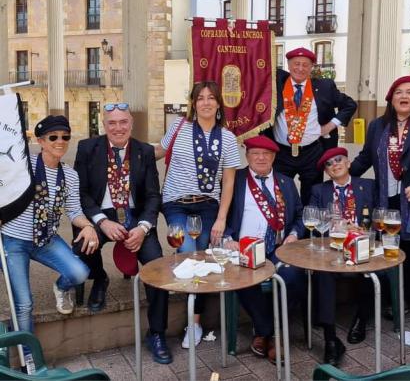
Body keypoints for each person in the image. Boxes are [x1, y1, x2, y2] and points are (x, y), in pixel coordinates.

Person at [72, 103, 171, 364]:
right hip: (102, 215)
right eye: (112, 123)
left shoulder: (144, 151)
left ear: (131, 124)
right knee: (83, 245)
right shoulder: (87, 148)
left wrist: (144, 227)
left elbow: (152, 195)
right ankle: (100, 278)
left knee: (157, 268)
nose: (118, 128)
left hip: (135, 218)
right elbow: (81, 193)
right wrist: (101, 222)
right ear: (104, 126)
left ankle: (157, 333)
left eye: (123, 122)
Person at [351, 76, 410, 321]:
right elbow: (365, 158)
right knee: (394, 249)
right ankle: (399, 297)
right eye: (399, 92)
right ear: (391, 99)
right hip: (389, 201)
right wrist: (342, 175)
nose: (404, 96)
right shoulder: (377, 126)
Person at [155, 81, 240, 349]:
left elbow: (228, 182)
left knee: (201, 260)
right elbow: (157, 151)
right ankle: (191, 321)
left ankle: (195, 323)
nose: (205, 102)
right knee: (190, 252)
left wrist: (222, 218)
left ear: (218, 103)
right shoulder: (179, 127)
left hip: (207, 206)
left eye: (211, 98)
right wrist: (124, 152)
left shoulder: (227, 137)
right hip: (176, 203)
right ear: (193, 103)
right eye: (200, 98)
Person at [0, 116, 96, 335]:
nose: (60, 141)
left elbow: (74, 211)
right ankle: (28, 358)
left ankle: (61, 288)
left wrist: (88, 226)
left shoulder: (70, 175)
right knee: (24, 305)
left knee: (80, 273)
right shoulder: (23, 164)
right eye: (53, 137)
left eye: (65, 137)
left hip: (46, 239)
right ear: (41, 141)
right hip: (14, 240)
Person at [226, 135, 304, 364]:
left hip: (279, 248)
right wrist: (229, 237)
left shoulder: (286, 182)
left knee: (294, 276)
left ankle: (269, 332)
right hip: (245, 247)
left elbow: (299, 215)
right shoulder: (235, 179)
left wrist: (293, 234)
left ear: (273, 157)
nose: (260, 158)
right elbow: (220, 210)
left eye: (266, 154)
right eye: (255, 153)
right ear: (247, 156)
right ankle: (267, 331)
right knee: (244, 278)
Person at [310, 147, 377, 363]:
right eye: (329, 164)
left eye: (339, 160)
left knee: (369, 271)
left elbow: (379, 214)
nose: (335, 165)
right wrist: (333, 225)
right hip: (333, 247)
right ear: (327, 172)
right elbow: (313, 220)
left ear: (348, 163)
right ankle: (331, 339)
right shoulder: (319, 191)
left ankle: (361, 318)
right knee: (323, 273)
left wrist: (365, 230)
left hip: (363, 245)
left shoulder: (368, 186)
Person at [267, 47, 357, 206]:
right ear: (288, 65)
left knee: (312, 195)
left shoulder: (324, 87)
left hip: (312, 151)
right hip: (281, 152)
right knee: (280, 193)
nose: (300, 68)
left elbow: (349, 105)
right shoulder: (276, 83)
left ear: (311, 68)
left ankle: (308, 228)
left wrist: (330, 126)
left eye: (305, 65)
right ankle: (286, 227)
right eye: (296, 64)